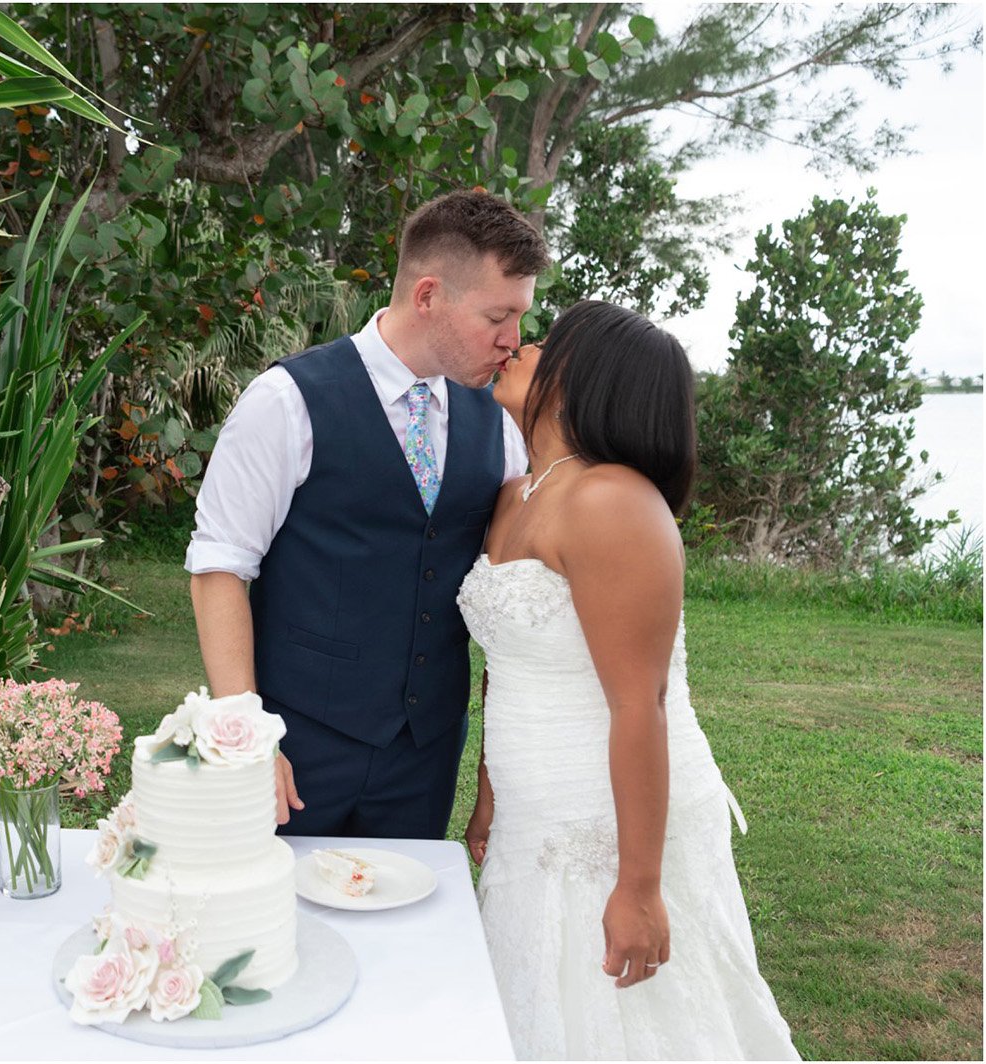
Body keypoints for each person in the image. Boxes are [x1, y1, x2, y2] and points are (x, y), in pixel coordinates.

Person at [460, 300, 798, 1059]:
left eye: (551, 343)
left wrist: (639, 886)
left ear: (587, 383)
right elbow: (505, 666)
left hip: (612, 821)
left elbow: (640, 701)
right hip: (532, 811)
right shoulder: (515, 495)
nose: (525, 345)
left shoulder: (612, 501)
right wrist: (489, 796)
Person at [186, 189, 541, 837]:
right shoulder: (286, 400)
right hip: (296, 744)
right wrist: (248, 733)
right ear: (428, 295)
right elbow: (219, 567)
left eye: (520, 317)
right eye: (499, 316)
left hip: (426, 754)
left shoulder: (501, 427)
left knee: (409, 903)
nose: (512, 342)